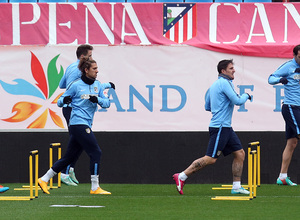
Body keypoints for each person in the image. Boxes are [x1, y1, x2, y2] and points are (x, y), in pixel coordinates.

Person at [173, 59, 252, 195]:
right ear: (223, 71)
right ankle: (181, 176)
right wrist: (247, 95)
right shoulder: (225, 83)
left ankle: (237, 186)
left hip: (225, 127)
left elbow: (207, 106)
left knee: (240, 154)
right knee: (211, 158)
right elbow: (238, 101)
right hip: (220, 126)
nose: (234, 70)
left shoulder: (214, 85)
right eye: (231, 68)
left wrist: (220, 108)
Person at [38, 57, 112, 195]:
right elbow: (60, 101)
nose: (97, 71)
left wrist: (98, 99)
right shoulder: (76, 85)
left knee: (69, 157)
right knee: (96, 152)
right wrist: (64, 100)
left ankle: (44, 178)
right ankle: (95, 187)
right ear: (86, 70)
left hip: (86, 123)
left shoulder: (98, 85)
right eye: (94, 69)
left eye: (97, 68)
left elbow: (106, 103)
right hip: (78, 123)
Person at [59, 44, 114, 186]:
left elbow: (62, 85)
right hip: (75, 108)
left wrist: (105, 85)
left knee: (80, 141)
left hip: (70, 107)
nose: (92, 59)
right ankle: (65, 171)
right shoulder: (80, 73)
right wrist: (103, 86)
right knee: (81, 140)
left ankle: (65, 170)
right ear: (84, 59)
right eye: (90, 56)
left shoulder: (70, 67)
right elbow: (87, 85)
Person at [268, 45, 300, 186]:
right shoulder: (288, 66)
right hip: (291, 108)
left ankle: (282, 176)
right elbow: (270, 78)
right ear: (294, 55)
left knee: (292, 143)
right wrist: (280, 80)